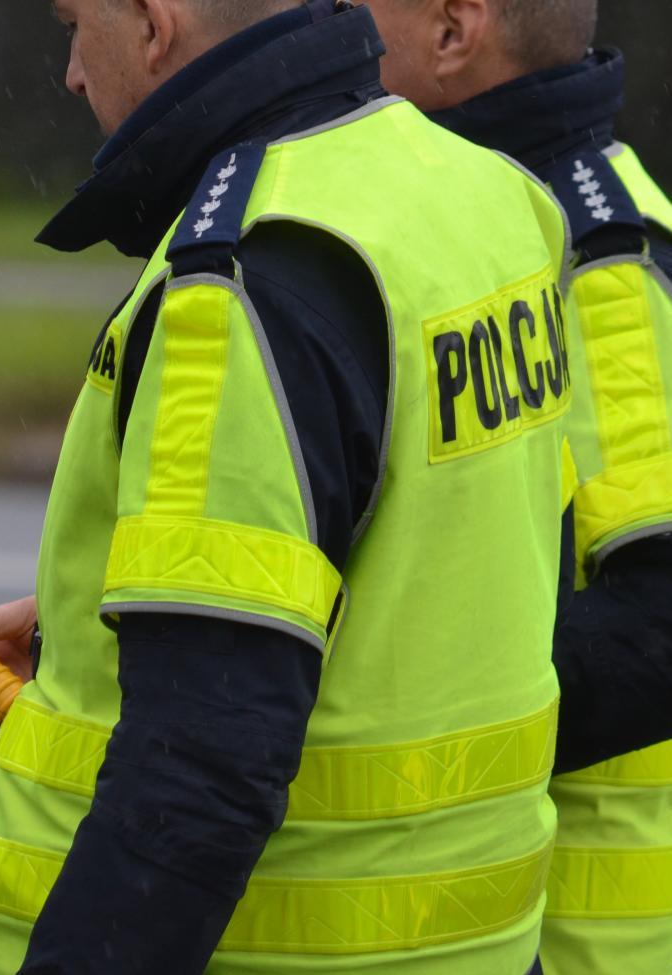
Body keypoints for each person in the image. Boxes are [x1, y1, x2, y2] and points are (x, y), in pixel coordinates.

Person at [0, 1, 574, 972]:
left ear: (152, 23)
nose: (72, 73)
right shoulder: (488, 193)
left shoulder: (239, 276)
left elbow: (198, 774)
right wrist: (106, 630)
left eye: (74, 26)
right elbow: (446, 566)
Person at [353, 2, 672, 972]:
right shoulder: (494, 220)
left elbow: (658, 631)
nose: (328, 18)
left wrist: (324, 705)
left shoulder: (601, 263)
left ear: (454, 33)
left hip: (592, 942)